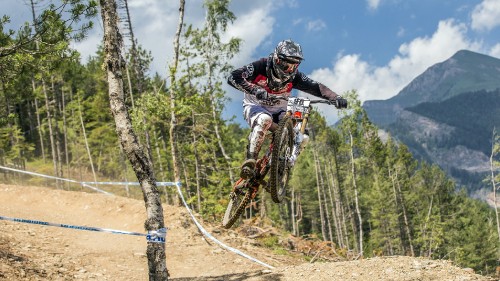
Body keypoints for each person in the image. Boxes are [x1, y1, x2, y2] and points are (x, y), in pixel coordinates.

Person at [227, 39, 348, 180]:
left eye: (294, 66)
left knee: (302, 137)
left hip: (280, 109)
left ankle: (284, 162)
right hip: (256, 106)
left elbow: (317, 87)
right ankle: (250, 162)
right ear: (277, 60)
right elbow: (233, 77)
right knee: (264, 120)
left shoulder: (295, 76)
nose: (289, 70)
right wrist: (254, 90)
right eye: (286, 65)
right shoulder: (260, 66)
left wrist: (335, 97)